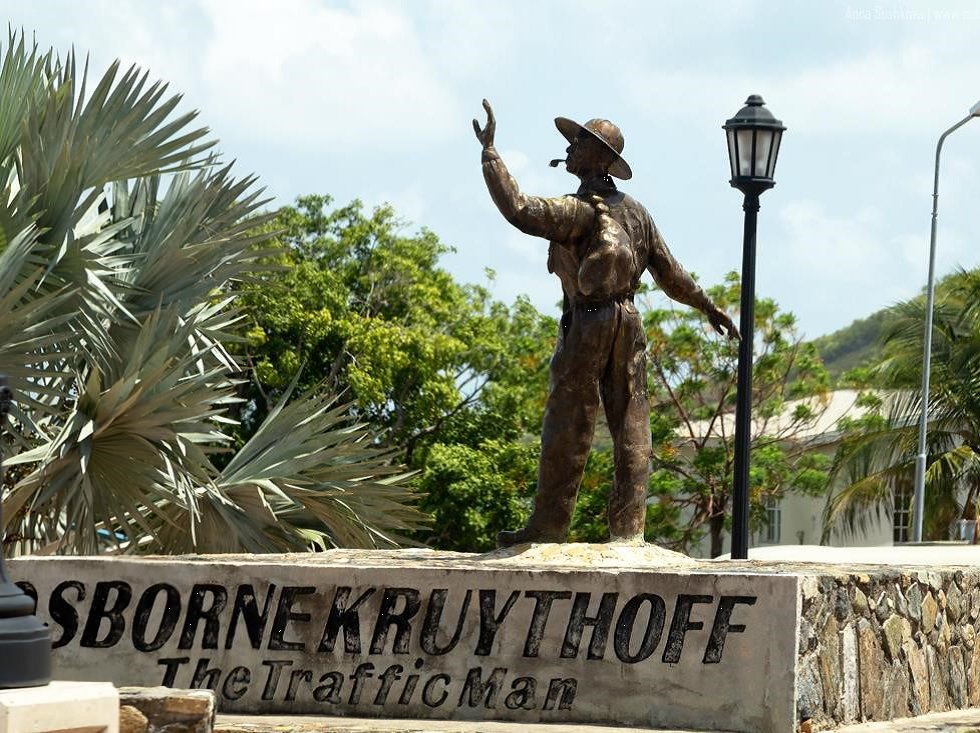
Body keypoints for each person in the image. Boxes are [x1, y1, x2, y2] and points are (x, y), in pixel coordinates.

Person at [473, 99, 739, 547]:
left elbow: (519, 209)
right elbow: (671, 274)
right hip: (628, 322)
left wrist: (491, 155)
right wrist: (708, 307)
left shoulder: (579, 212)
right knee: (632, 417)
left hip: (588, 322)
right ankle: (629, 528)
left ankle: (549, 525)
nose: (570, 147)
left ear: (599, 158)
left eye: (580, 142)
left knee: (569, 418)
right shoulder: (636, 213)